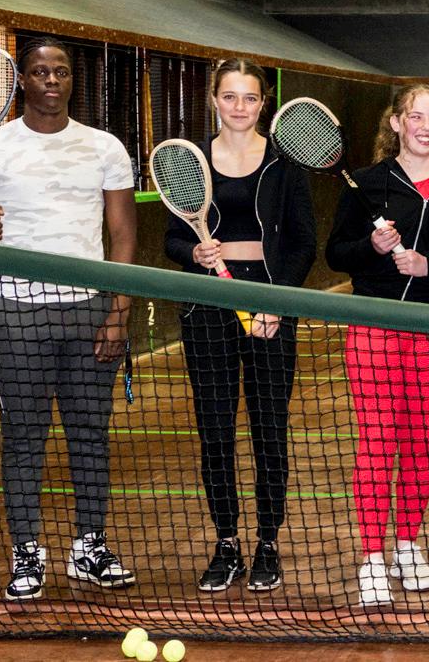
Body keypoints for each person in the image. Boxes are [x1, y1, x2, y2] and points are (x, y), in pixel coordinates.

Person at [0, 36, 137, 600]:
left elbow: (123, 235)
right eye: (40, 72)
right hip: (15, 315)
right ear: (23, 81)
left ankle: (89, 547)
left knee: (90, 435)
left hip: (88, 312)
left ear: (71, 79)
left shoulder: (104, 147)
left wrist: (118, 312)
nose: (52, 80)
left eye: (61, 71)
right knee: (23, 438)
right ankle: (26, 554)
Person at [164, 58, 315, 593]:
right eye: (229, 96)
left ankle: (267, 543)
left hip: (268, 306)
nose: (239, 107)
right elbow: (171, 238)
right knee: (216, 432)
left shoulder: (284, 163)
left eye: (250, 98)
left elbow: (303, 243)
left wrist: (276, 302)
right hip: (208, 309)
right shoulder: (192, 161)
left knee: (270, 430)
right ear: (214, 100)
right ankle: (226, 543)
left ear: (262, 103)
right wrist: (194, 252)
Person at [325, 84, 429, 606]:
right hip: (375, 327)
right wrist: (372, 247)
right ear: (397, 122)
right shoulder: (365, 181)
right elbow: (337, 254)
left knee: (420, 441)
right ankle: (372, 557)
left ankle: (406, 543)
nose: (426, 126)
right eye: (416, 117)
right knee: (378, 440)